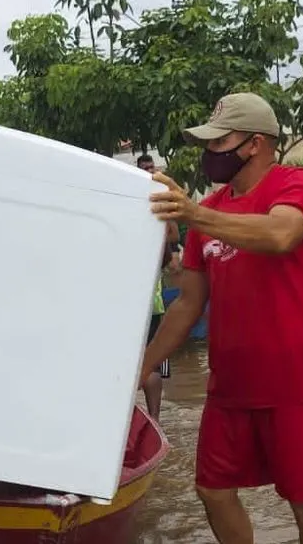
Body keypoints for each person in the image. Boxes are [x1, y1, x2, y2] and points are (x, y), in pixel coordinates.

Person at [141, 92, 303, 544]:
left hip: (297, 381)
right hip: (232, 383)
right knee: (212, 491)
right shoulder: (211, 211)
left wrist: (195, 214)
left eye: (219, 142)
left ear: (254, 144)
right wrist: (143, 367)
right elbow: (187, 303)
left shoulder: (297, 184)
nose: (209, 153)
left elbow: (280, 234)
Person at [135, 153, 178, 421]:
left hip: (152, 302)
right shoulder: (138, 200)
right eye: (146, 169)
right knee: (148, 362)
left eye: (152, 168)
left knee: (152, 362)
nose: (150, 173)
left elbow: (172, 235)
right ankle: (153, 421)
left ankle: (155, 421)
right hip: (143, 302)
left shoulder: (160, 199)